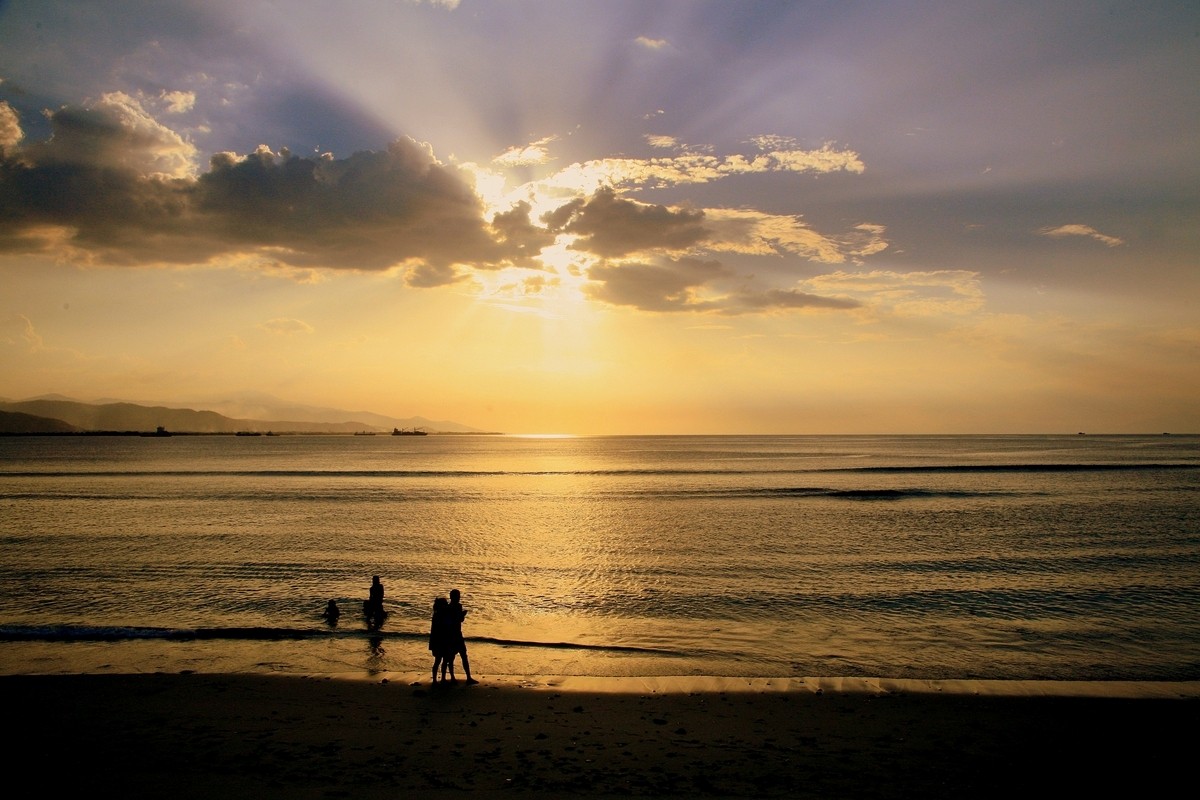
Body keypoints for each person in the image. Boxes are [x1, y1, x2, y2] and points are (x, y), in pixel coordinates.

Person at [447, 588, 478, 684]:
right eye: (457, 596)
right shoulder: (452, 607)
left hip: (455, 633)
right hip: (454, 634)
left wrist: (461, 615)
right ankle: (459, 677)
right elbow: (457, 620)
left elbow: (459, 620)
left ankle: (465, 677)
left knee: (461, 655)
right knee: (455, 656)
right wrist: (462, 615)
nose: (458, 598)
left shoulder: (452, 607)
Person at [429, 596, 456, 683]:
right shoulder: (440, 616)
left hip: (438, 641)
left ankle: (436, 679)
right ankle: (440, 678)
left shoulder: (437, 615)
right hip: (441, 641)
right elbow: (447, 626)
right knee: (441, 660)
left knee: (439, 660)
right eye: (445, 604)